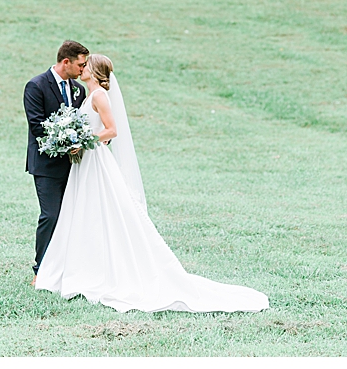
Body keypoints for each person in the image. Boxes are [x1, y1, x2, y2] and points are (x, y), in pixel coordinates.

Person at [34, 54, 269, 313]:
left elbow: (112, 130)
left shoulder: (99, 95)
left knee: (101, 210)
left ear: (96, 71)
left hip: (95, 160)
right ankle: (83, 266)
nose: (82, 68)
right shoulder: (88, 95)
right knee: (86, 212)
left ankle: (102, 271)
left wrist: (84, 138)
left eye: (86, 66)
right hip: (85, 161)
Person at [24, 40, 90, 284]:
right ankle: (40, 270)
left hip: (74, 165)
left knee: (72, 217)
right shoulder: (36, 86)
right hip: (46, 165)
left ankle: (66, 269)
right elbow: (37, 126)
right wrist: (65, 141)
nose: (83, 70)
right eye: (80, 65)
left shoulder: (78, 90)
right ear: (66, 62)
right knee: (50, 215)